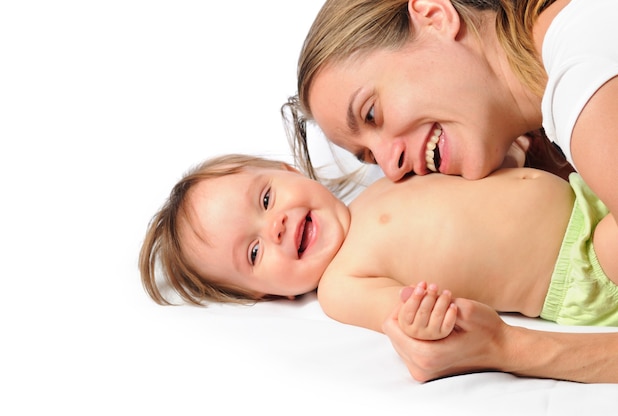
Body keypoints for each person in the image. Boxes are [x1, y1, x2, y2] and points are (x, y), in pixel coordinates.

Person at [282, 0, 618, 382]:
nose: (391, 167)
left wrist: (507, 349)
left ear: (434, 16)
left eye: (372, 113)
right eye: (369, 158)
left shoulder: (585, 79)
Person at [138, 154, 618, 343]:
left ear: (286, 168)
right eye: (255, 253)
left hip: (584, 190)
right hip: (582, 266)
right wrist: (419, 321)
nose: (277, 226)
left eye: (266, 199)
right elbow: (404, 318)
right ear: (266, 295)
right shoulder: (341, 287)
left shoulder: (381, 177)